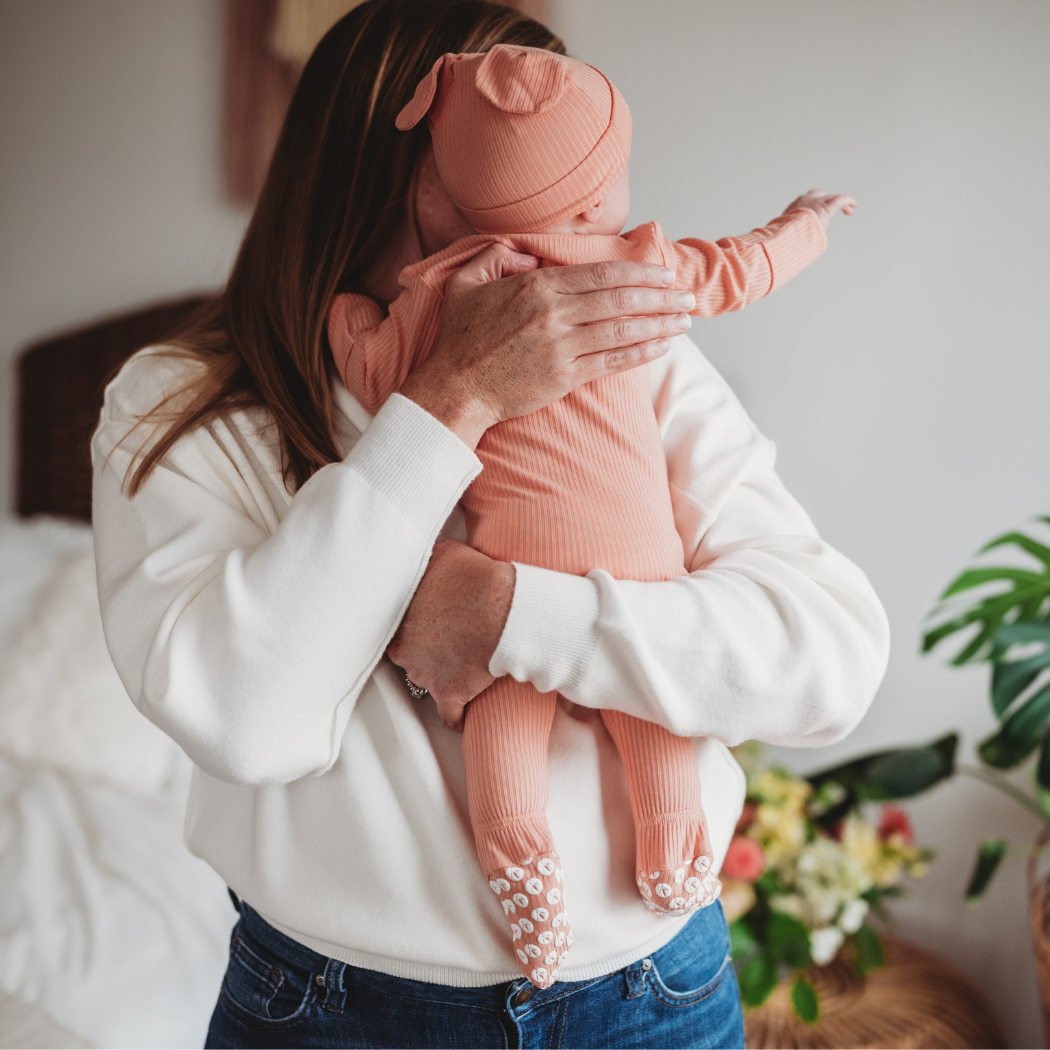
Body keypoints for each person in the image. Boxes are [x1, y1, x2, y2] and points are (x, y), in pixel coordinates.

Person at [90, 1, 888, 1046]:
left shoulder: (627, 352)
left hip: (656, 997)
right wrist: (452, 395)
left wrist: (504, 614)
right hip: (334, 1015)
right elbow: (249, 717)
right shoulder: (181, 403)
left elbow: (827, 660)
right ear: (398, 170)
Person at [326, 41, 857, 990]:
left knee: (500, 731)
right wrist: (807, 225)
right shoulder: (633, 272)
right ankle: (675, 845)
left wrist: (342, 321)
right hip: (645, 564)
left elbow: (371, 371)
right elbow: (741, 269)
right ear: (598, 191)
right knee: (656, 722)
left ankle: (519, 865)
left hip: (514, 563)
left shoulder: (447, 295)